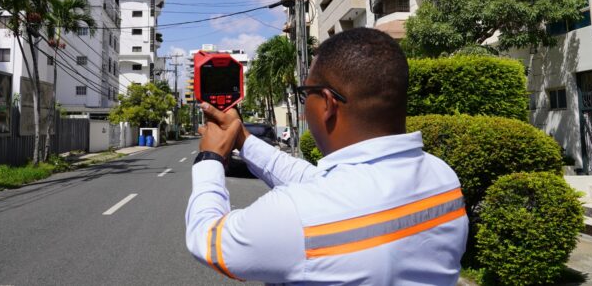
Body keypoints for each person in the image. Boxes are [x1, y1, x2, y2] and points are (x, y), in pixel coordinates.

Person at [185, 28, 468, 285]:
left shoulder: (298, 216)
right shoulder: (442, 178)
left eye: (305, 93)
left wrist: (210, 157)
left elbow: (207, 239)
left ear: (329, 103)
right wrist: (243, 140)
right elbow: (318, 183)